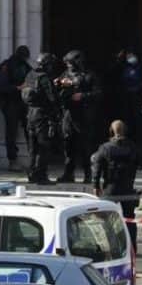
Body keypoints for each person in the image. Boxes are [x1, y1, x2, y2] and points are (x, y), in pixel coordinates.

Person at [91, 120, 140, 251]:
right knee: (130, 219)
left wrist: (95, 185)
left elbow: (97, 167)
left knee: (105, 218)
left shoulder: (105, 148)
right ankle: (132, 248)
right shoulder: (132, 147)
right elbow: (137, 163)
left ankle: (109, 247)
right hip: (127, 187)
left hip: (110, 187)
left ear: (112, 131)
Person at [55, 50, 101, 184]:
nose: (69, 65)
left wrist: (83, 96)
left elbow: (98, 93)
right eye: (67, 63)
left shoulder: (89, 75)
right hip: (68, 114)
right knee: (68, 145)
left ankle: (88, 174)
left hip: (84, 115)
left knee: (86, 146)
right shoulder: (65, 74)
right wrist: (57, 84)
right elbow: (58, 91)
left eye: (71, 63)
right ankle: (68, 174)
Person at [21, 53, 60, 185]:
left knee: (32, 148)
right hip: (42, 115)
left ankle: (32, 174)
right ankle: (41, 176)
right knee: (44, 146)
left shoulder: (30, 75)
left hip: (30, 114)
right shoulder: (44, 78)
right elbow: (53, 98)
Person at [0, 46, 31, 168]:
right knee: (11, 132)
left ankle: (34, 158)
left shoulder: (25, 66)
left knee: (30, 130)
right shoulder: (6, 66)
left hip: (24, 102)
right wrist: (17, 88)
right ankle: (12, 160)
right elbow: (1, 86)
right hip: (10, 103)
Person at [117, 52, 142, 160]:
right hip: (126, 104)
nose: (130, 58)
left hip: (140, 103)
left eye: (131, 55)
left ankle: (141, 159)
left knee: (140, 132)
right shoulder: (123, 67)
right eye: (128, 55)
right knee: (127, 131)